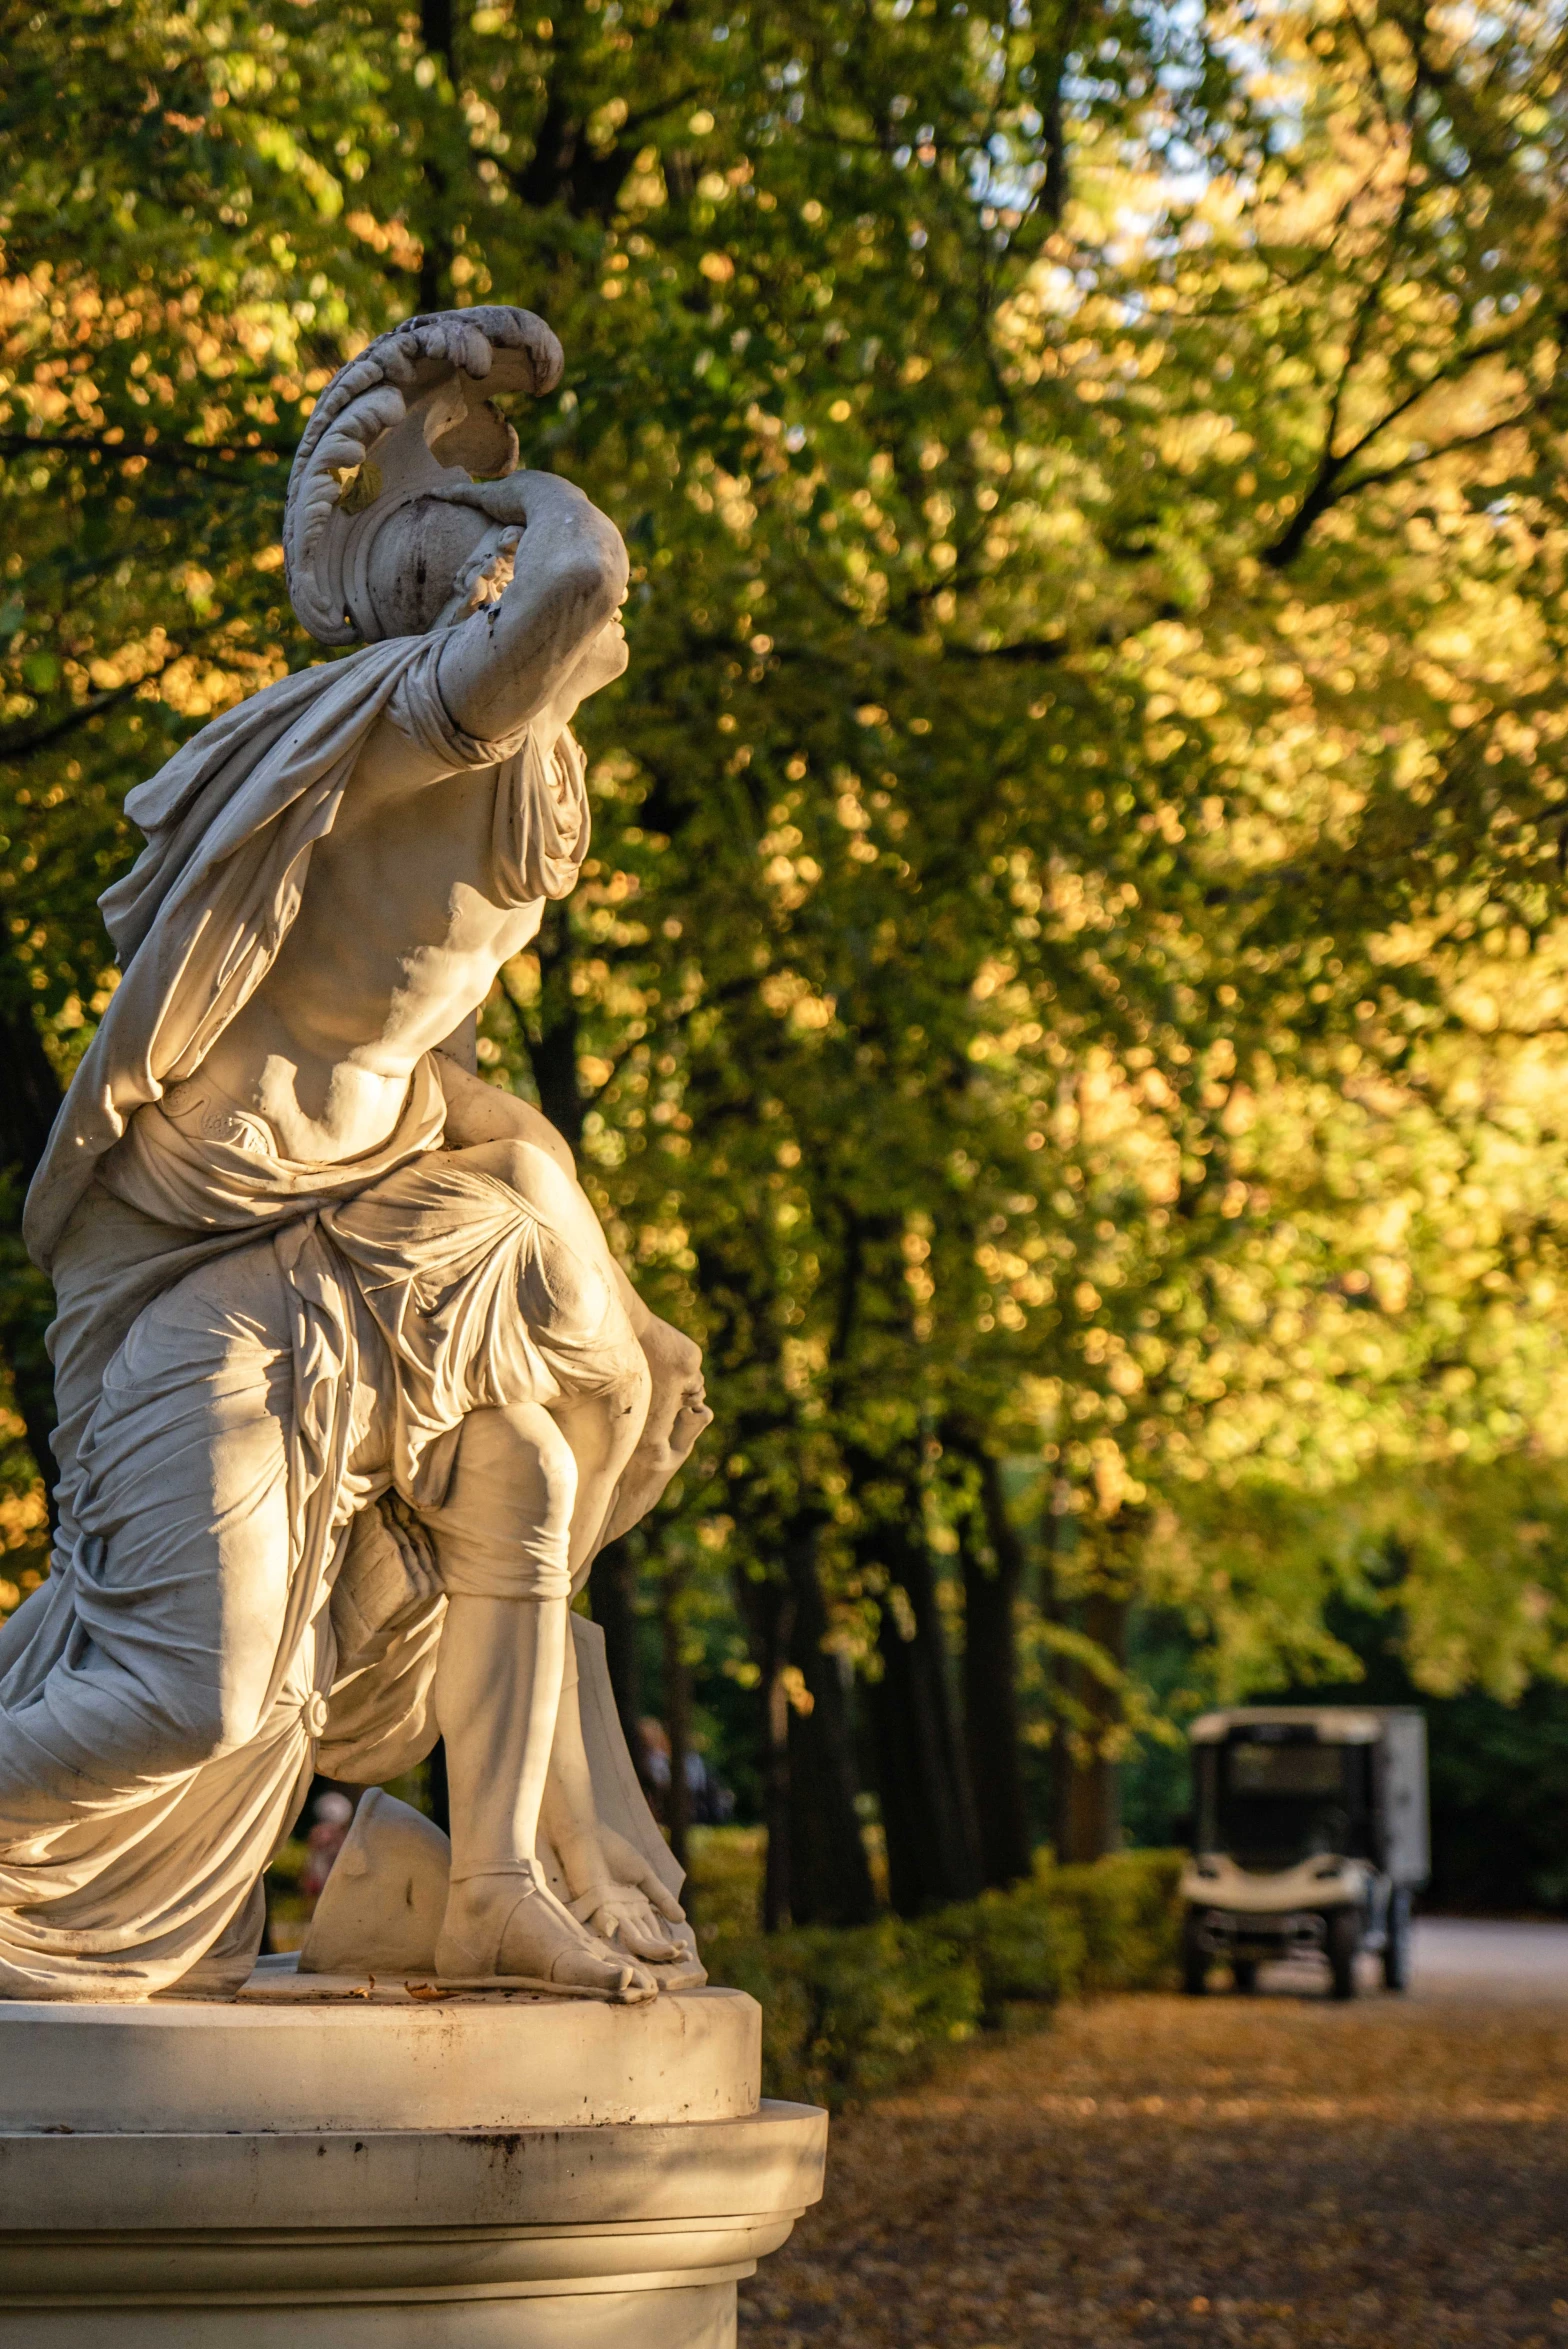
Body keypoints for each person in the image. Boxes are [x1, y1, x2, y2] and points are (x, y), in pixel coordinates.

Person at [0, 308, 710, 2000]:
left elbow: (438, 1072)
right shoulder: (396, 728)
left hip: (353, 1239)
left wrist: (610, 1296)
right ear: (464, 587)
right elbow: (582, 581)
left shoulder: (509, 776)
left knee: (531, 1459)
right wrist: (516, 487)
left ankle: (499, 1885)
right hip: (215, 1295)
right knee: (197, 1696)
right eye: (492, 549)